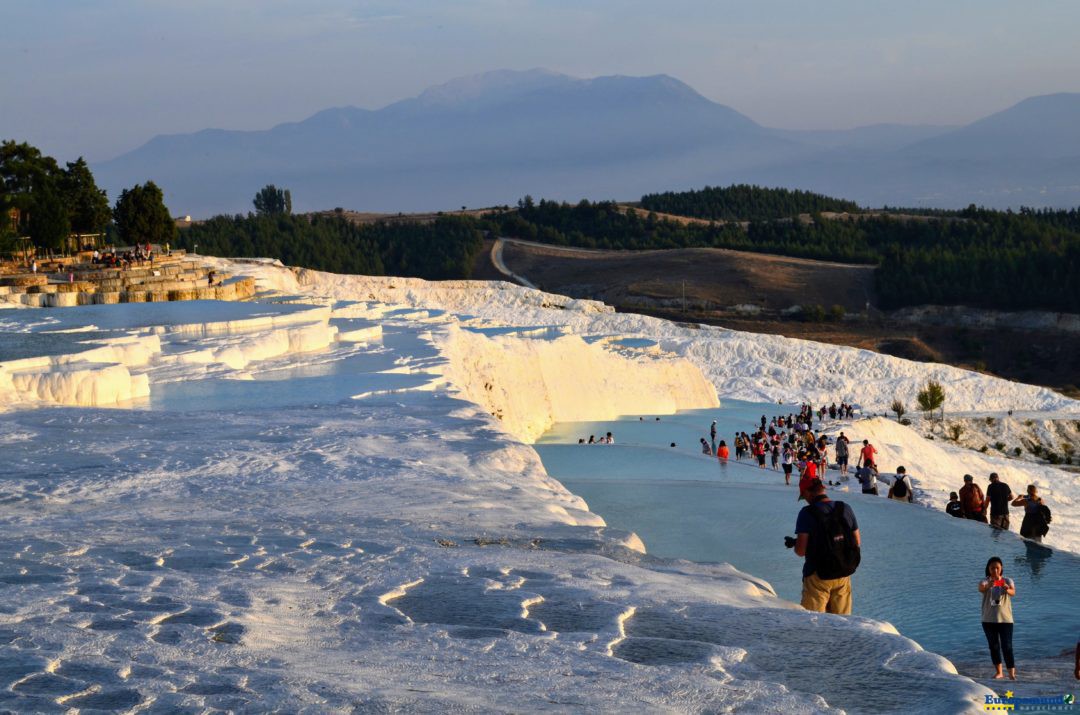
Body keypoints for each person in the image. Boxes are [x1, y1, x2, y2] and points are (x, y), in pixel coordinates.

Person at [791, 479, 861, 614]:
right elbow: (857, 542)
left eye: (803, 496)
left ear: (807, 492)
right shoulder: (845, 508)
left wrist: (795, 544)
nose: (805, 500)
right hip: (842, 574)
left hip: (817, 576)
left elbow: (800, 551)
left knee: (814, 623)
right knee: (844, 622)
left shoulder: (807, 513)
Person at [978, 556, 1016, 680]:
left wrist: (1006, 588)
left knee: (1007, 646)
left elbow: (1013, 592)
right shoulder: (984, 581)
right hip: (988, 620)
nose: (995, 570)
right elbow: (981, 588)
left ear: (1001, 568)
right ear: (988, 569)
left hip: (1005, 620)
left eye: (997, 568)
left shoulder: (1008, 580)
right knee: (993, 646)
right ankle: (999, 672)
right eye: (992, 568)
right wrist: (989, 585)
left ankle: (1011, 674)